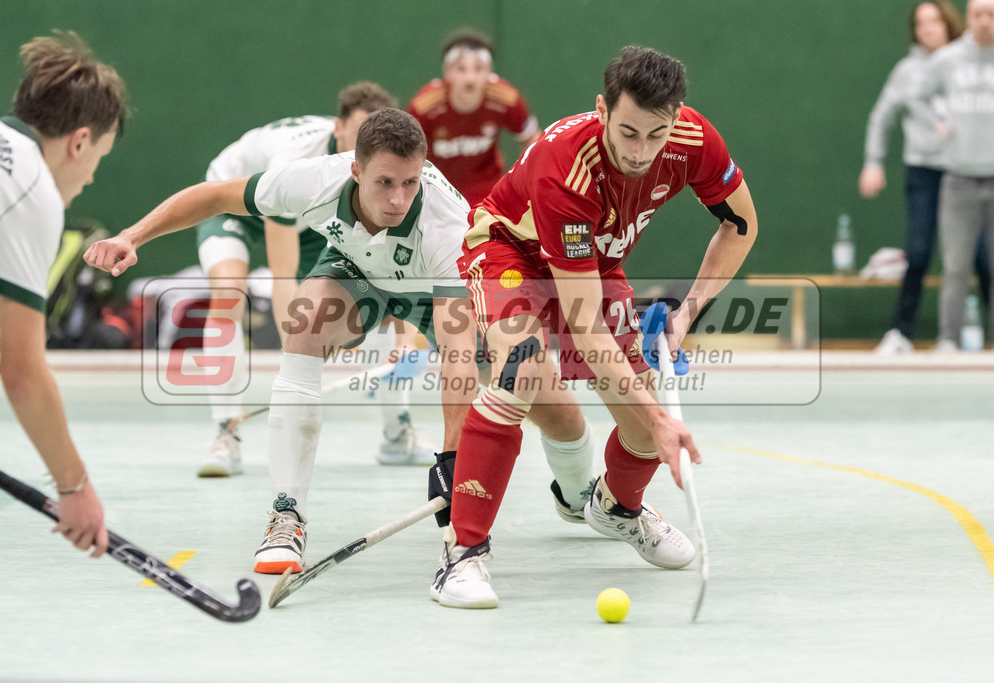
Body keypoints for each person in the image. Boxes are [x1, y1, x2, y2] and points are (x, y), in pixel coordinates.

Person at [85, 109, 597, 575]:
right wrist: (133, 235)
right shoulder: (313, 179)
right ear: (355, 171)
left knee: (546, 399)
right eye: (384, 183)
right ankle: (286, 518)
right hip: (358, 272)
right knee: (304, 323)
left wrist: (449, 460)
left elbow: (457, 357)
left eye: (409, 183)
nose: (398, 199)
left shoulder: (446, 224)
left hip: (438, 291)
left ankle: (580, 496)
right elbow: (212, 195)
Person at [429, 46, 757, 609]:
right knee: (523, 367)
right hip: (510, 253)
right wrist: (661, 420)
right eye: (627, 132)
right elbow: (583, 327)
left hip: (595, 265)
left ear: (675, 119)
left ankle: (616, 508)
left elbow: (741, 223)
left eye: (655, 135)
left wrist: (687, 313)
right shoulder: (566, 165)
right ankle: (463, 554)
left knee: (639, 425)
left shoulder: (694, 141)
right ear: (602, 109)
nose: (639, 151)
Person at [192, 83, 435, 475]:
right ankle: (226, 434)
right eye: (354, 138)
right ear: (337, 128)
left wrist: (404, 336)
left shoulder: (380, 176)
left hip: (308, 215)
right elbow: (282, 271)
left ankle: (397, 432)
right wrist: (299, 358)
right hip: (237, 203)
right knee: (228, 293)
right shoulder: (296, 164)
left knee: (384, 294)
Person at [0, 31, 127, 557]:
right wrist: (74, 488)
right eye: (100, 158)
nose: (88, 178)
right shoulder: (30, 190)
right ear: (79, 141)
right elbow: (21, 373)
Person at [861, 1, 991, 354]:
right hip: (924, 171)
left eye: (934, 21)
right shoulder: (910, 71)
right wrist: (873, 161)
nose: (928, 29)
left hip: (966, 171)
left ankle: (977, 335)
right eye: (921, 24)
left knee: (983, 257)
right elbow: (882, 115)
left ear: (949, 23)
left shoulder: (974, 60)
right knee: (918, 252)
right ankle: (901, 333)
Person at [919, 0, 994, 350]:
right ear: (968, 18)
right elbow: (919, 95)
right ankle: (948, 340)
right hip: (959, 180)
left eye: (992, 14)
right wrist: (940, 118)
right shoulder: (947, 60)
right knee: (956, 267)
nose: (985, 21)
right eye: (979, 14)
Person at [408, 30, 539, 207]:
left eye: (478, 69)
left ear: (489, 72)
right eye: (461, 69)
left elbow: (532, 138)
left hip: (487, 195)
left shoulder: (506, 99)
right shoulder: (424, 106)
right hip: (436, 192)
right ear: (447, 72)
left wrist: (525, 182)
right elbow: (406, 150)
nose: (470, 78)